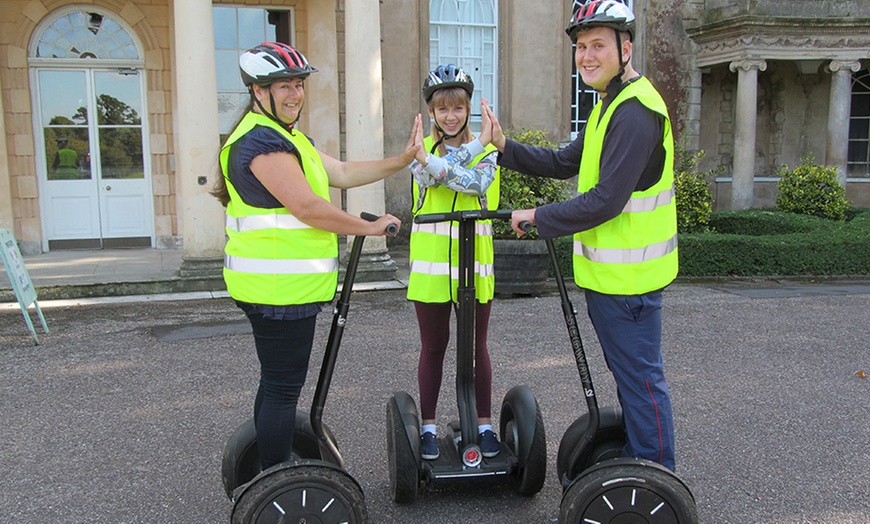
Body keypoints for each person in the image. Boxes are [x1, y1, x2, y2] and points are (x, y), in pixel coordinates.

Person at [482, 0, 678, 471]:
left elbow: (606, 200)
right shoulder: (608, 106)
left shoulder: (634, 112)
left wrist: (538, 216)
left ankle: (654, 478)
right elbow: (564, 162)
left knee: (641, 381)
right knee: (631, 379)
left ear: (625, 48)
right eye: (581, 47)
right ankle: (639, 461)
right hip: (612, 279)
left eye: (598, 45)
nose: (587, 55)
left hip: (628, 283)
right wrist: (503, 146)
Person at [212, 41, 418, 471]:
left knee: (276, 385)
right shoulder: (260, 144)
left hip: (283, 289)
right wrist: (370, 227)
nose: (294, 94)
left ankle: (269, 471)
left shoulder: (286, 138)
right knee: (283, 389)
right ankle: (275, 479)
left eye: (299, 85)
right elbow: (307, 207)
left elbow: (340, 172)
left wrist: (401, 160)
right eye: (283, 86)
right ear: (257, 92)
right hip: (277, 293)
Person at [407, 65, 501, 460]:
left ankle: (483, 423)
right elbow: (432, 177)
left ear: (468, 110)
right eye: (442, 108)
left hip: (474, 269)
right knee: (434, 347)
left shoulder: (491, 154)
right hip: (431, 272)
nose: (450, 116)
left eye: (458, 108)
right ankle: (427, 427)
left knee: (476, 347)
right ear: (431, 112)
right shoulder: (418, 154)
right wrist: (477, 144)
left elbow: (476, 183)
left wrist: (481, 146)